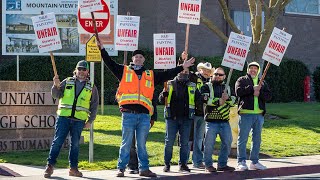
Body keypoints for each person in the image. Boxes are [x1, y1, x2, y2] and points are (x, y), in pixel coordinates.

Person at [98, 42, 195, 177]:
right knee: (126, 143)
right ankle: (121, 168)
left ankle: (144, 169)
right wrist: (101, 49)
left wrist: (181, 67)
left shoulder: (150, 74)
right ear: (133, 59)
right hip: (128, 114)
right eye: (136, 56)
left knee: (142, 144)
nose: (138, 58)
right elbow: (109, 62)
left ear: (144, 60)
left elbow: (168, 73)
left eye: (140, 57)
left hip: (144, 116)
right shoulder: (124, 71)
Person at [44, 60, 99, 178]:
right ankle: (49, 166)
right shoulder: (67, 81)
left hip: (79, 121)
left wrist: (90, 121)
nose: (81, 71)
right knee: (57, 141)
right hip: (63, 118)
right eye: (79, 69)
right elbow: (56, 95)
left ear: (87, 71)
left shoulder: (91, 87)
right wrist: (55, 85)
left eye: (84, 69)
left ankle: (73, 169)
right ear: (76, 70)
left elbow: (94, 105)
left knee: (75, 145)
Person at [235, 62, 271, 171]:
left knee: (257, 139)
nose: (253, 70)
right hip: (246, 114)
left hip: (259, 115)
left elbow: (269, 96)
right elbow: (238, 92)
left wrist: (259, 93)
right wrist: (252, 88)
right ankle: (241, 161)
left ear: (258, 70)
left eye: (255, 68)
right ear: (248, 69)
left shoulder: (263, 82)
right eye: (251, 68)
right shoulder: (242, 80)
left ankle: (254, 162)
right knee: (243, 139)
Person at [159, 69, 197, 173]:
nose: (184, 73)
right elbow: (161, 100)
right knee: (169, 142)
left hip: (186, 119)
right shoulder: (169, 84)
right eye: (182, 70)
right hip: (172, 118)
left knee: (185, 143)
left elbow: (198, 99)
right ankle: (167, 164)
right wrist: (164, 94)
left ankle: (183, 164)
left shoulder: (192, 85)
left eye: (186, 71)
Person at [201, 67, 236, 172]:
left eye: (220, 75)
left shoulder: (228, 88)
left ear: (224, 77)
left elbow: (234, 100)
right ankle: (208, 165)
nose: (217, 76)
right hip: (211, 121)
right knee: (209, 144)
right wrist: (219, 101)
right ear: (212, 75)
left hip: (224, 121)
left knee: (227, 142)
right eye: (216, 74)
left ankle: (222, 164)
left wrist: (227, 99)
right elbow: (204, 99)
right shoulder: (206, 86)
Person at [189, 60, 213, 168]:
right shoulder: (193, 77)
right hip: (192, 111)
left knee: (199, 138)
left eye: (208, 71)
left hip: (203, 114)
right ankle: (184, 161)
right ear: (200, 69)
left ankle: (197, 161)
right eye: (204, 70)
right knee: (188, 138)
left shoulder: (210, 83)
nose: (206, 72)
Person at [127, 95, 158, 174]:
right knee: (131, 142)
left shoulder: (148, 83)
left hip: (144, 115)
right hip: (130, 114)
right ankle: (132, 166)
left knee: (141, 144)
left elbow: (152, 99)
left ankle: (142, 167)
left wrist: (153, 117)